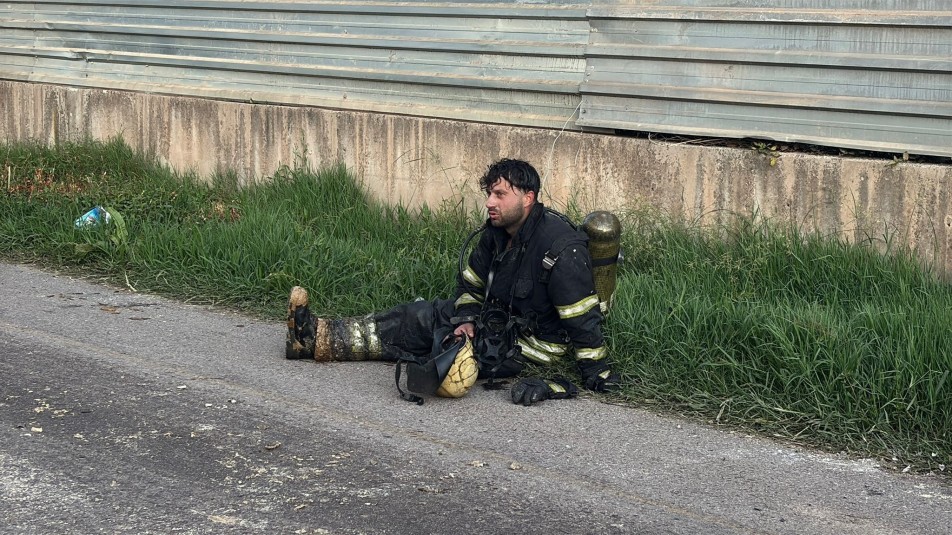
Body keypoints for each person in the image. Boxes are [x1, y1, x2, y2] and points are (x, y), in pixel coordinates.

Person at [285, 158, 619, 405]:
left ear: (528, 197)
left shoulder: (561, 248)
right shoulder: (496, 232)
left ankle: (326, 342)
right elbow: (471, 286)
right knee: (419, 316)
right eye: (489, 193)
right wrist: (466, 320)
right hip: (494, 324)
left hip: (533, 347)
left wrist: (593, 373)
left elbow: (583, 321)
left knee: (440, 347)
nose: (489, 202)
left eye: (500, 194)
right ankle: (315, 337)